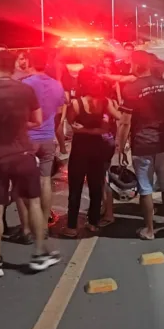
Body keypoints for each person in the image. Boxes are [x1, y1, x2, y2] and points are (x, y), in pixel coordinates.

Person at [0, 51, 60, 278]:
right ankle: (39, 255)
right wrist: (16, 125)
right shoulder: (25, 89)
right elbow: (37, 120)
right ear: (15, 65)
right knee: (33, 203)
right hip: (23, 153)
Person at [116, 50, 164, 240]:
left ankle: (149, 229)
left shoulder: (131, 89)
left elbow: (125, 122)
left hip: (142, 144)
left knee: (145, 187)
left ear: (135, 65)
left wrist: (121, 146)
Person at [12, 49, 67, 243]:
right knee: (45, 181)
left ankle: (26, 229)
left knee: (19, 186)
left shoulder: (24, 85)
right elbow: (60, 112)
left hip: (27, 140)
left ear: (29, 62)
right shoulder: (57, 85)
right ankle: (43, 225)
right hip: (47, 138)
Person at [61, 68, 119, 238]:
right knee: (96, 185)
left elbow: (73, 127)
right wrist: (95, 130)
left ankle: (71, 226)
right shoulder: (105, 102)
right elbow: (105, 128)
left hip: (80, 150)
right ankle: (93, 222)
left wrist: (84, 129)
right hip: (98, 149)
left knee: (75, 187)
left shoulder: (76, 104)